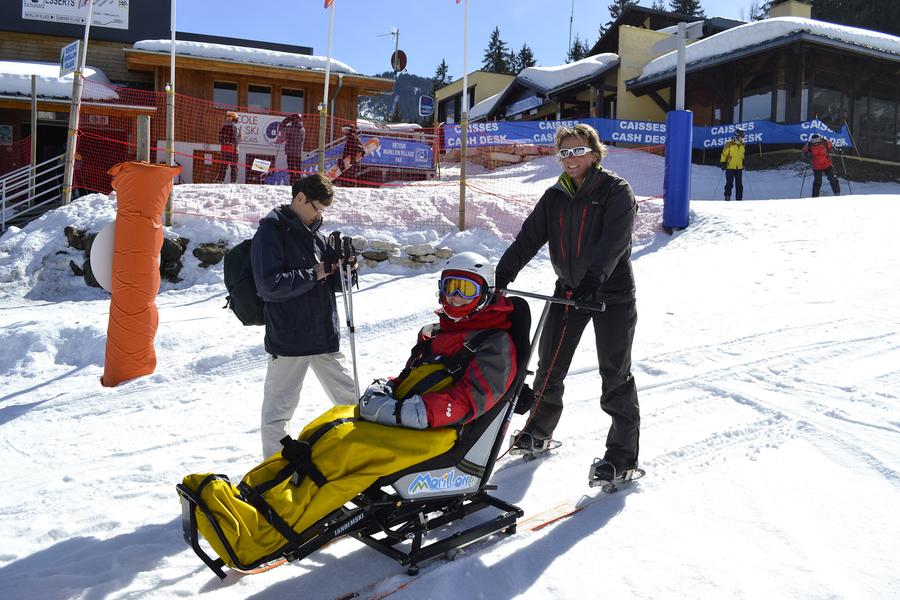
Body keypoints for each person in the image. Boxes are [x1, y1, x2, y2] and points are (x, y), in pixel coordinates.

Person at [493, 123, 640, 484]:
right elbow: (529, 237)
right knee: (549, 367)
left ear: (594, 152)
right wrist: (502, 274)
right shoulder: (555, 196)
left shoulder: (615, 191)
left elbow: (614, 241)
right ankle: (539, 431)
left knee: (615, 375)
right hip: (570, 292)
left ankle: (621, 457)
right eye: (564, 152)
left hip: (612, 295)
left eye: (577, 151)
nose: (570, 158)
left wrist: (595, 279)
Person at [251, 173, 357, 458]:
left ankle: (363, 456)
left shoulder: (317, 236)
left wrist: (345, 270)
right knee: (278, 413)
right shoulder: (270, 233)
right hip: (290, 339)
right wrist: (317, 271)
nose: (318, 215)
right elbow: (268, 286)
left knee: (353, 400)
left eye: (323, 211)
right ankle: (274, 471)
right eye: (316, 208)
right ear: (300, 198)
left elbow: (331, 285)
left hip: (323, 335)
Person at [358, 252, 517, 429]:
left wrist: (407, 413)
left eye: (467, 290)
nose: (456, 296)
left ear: (484, 294)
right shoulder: (431, 333)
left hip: (441, 433)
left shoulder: (495, 343)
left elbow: (471, 399)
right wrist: (385, 388)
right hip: (408, 419)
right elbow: (410, 377)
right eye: (450, 287)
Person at [802, 133, 841, 197]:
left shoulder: (826, 142)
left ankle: (837, 194)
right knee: (818, 181)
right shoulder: (808, 146)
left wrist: (838, 152)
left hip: (827, 164)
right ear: (812, 142)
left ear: (820, 140)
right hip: (816, 166)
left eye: (817, 142)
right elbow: (803, 154)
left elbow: (833, 149)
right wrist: (806, 156)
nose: (816, 144)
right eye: (814, 143)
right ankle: (815, 197)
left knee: (833, 178)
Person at [719, 127, 745, 201]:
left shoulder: (743, 145)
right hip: (730, 167)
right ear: (737, 136)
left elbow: (742, 155)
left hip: (739, 168)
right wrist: (723, 163)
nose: (742, 138)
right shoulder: (729, 144)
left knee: (739, 185)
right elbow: (724, 154)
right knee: (729, 184)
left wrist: (743, 162)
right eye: (741, 136)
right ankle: (727, 197)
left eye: (743, 136)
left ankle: (739, 199)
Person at [280, 113, 306, 185]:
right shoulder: (302, 129)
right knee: (298, 170)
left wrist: (286, 120)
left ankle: (292, 184)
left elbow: (281, 128)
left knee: (291, 170)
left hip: (290, 153)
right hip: (298, 153)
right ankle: (299, 184)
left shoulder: (291, 129)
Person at [217, 111, 241, 184]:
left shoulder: (223, 128)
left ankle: (220, 180)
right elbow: (237, 139)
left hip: (224, 150)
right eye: (236, 119)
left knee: (223, 166)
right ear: (232, 119)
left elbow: (220, 139)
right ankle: (233, 181)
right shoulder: (235, 128)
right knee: (234, 167)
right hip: (233, 150)